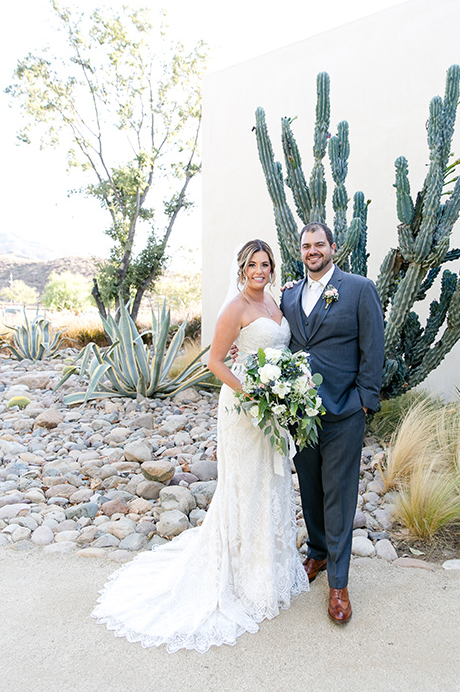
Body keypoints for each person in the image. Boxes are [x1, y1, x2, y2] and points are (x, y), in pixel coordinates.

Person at [91, 239, 309, 652]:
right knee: (244, 485)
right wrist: (252, 392)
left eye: (265, 264)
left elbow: (280, 349)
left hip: (272, 409)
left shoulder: (277, 304)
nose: (260, 270)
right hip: (245, 409)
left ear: (272, 268)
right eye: (252, 265)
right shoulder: (237, 307)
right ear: (242, 269)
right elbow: (215, 361)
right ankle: (243, 576)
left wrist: (281, 394)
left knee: (270, 483)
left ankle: (271, 569)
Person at [281, 221, 384, 624]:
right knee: (309, 488)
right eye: (306, 246)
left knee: (339, 496)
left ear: (333, 247)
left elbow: (373, 346)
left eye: (319, 244)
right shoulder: (289, 295)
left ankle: (338, 584)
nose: (312, 251)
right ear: (301, 251)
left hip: (344, 411)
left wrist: (364, 402)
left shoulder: (359, 289)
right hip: (300, 413)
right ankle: (319, 554)